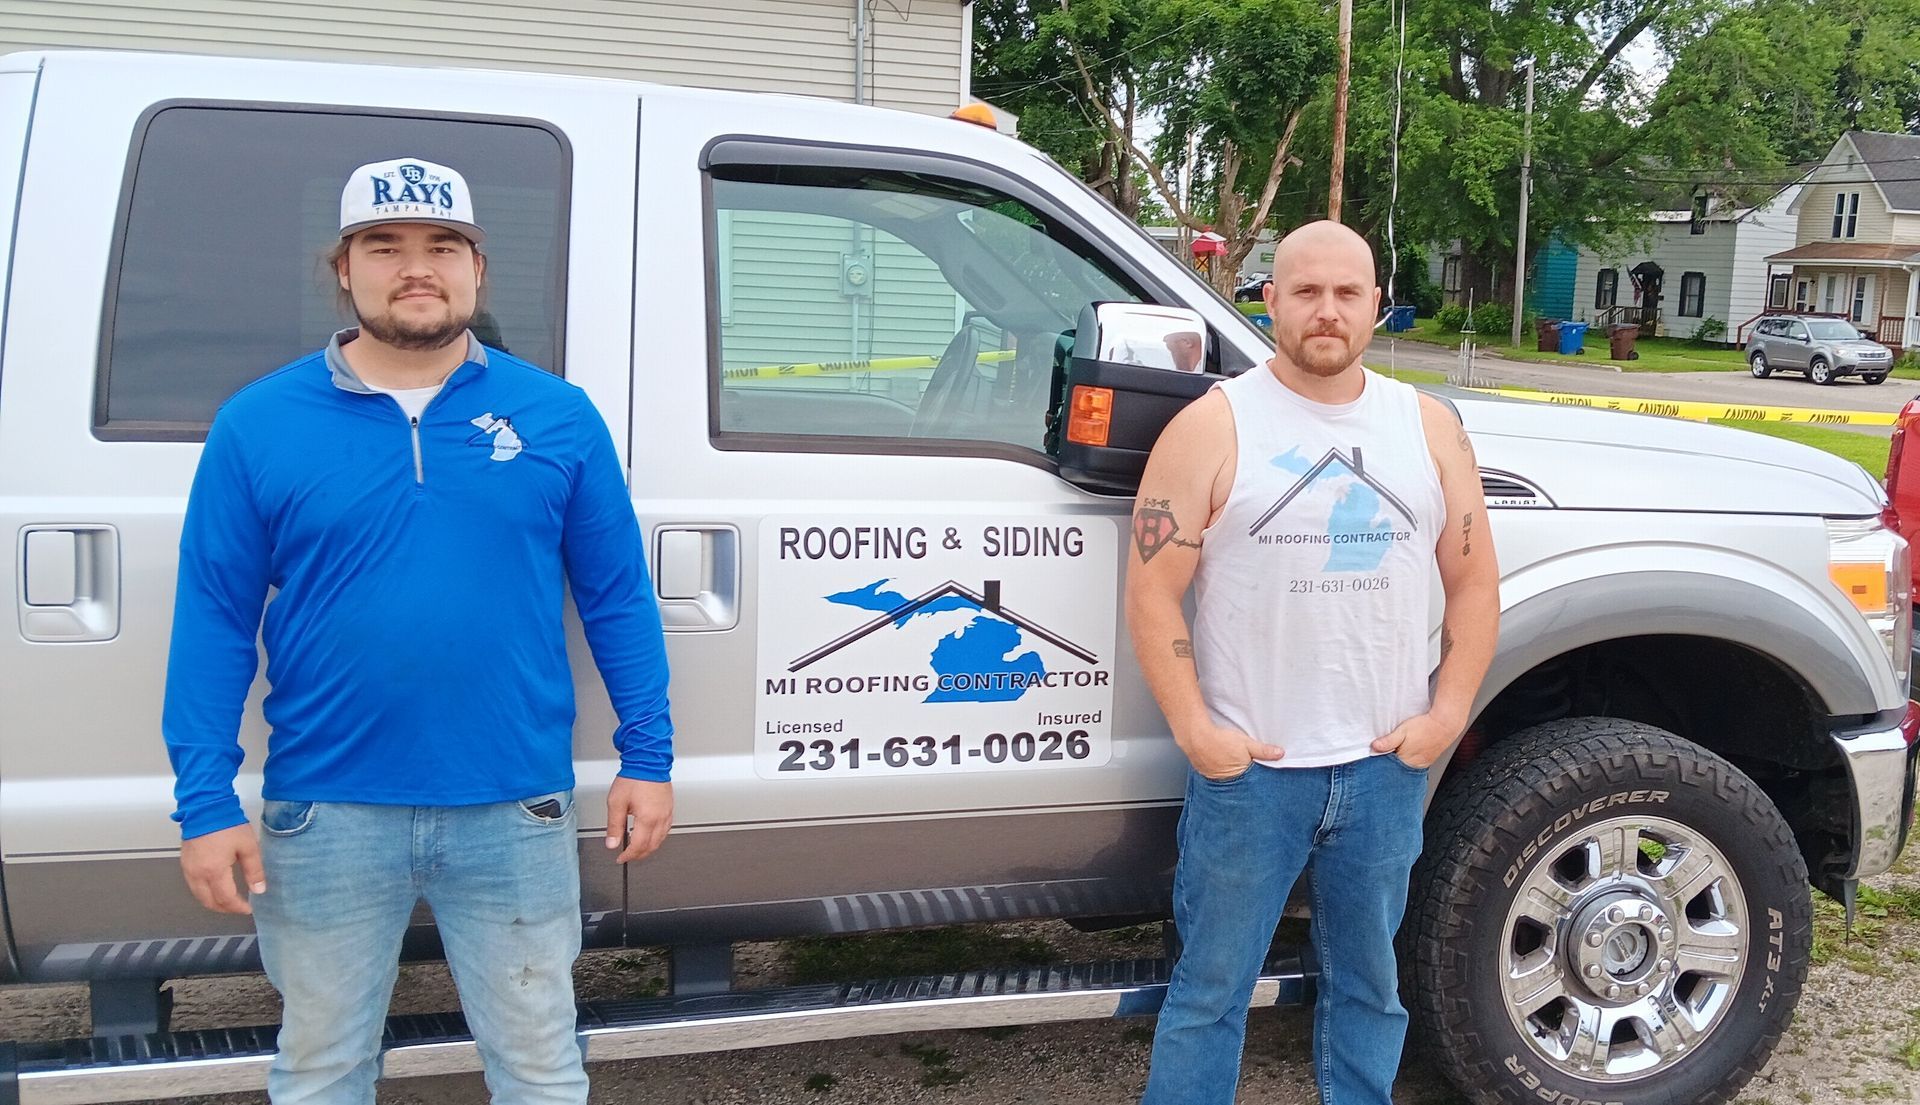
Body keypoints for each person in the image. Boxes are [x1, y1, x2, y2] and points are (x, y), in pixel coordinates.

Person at [163, 157, 675, 1105]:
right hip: (325, 811)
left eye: (442, 246)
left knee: (538, 1065)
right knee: (321, 1068)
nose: (416, 268)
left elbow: (617, 599)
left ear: (477, 268)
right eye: (385, 246)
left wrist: (649, 754)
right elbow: (214, 619)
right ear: (344, 271)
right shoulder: (258, 423)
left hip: (515, 804)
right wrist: (204, 800)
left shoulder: (556, 417)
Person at [1127, 220, 1499, 1105]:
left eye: (1346, 292)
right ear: (1271, 301)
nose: (1326, 311)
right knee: (1209, 991)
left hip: (1383, 769)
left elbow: (1475, 579)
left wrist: (1447, 716)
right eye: (1305, 292)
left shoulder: (1430, 427)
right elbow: (1150, 587)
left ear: (1376, 303)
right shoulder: (1212, 425)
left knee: (1372, 989)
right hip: (1252, 773)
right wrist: (1198, 732)